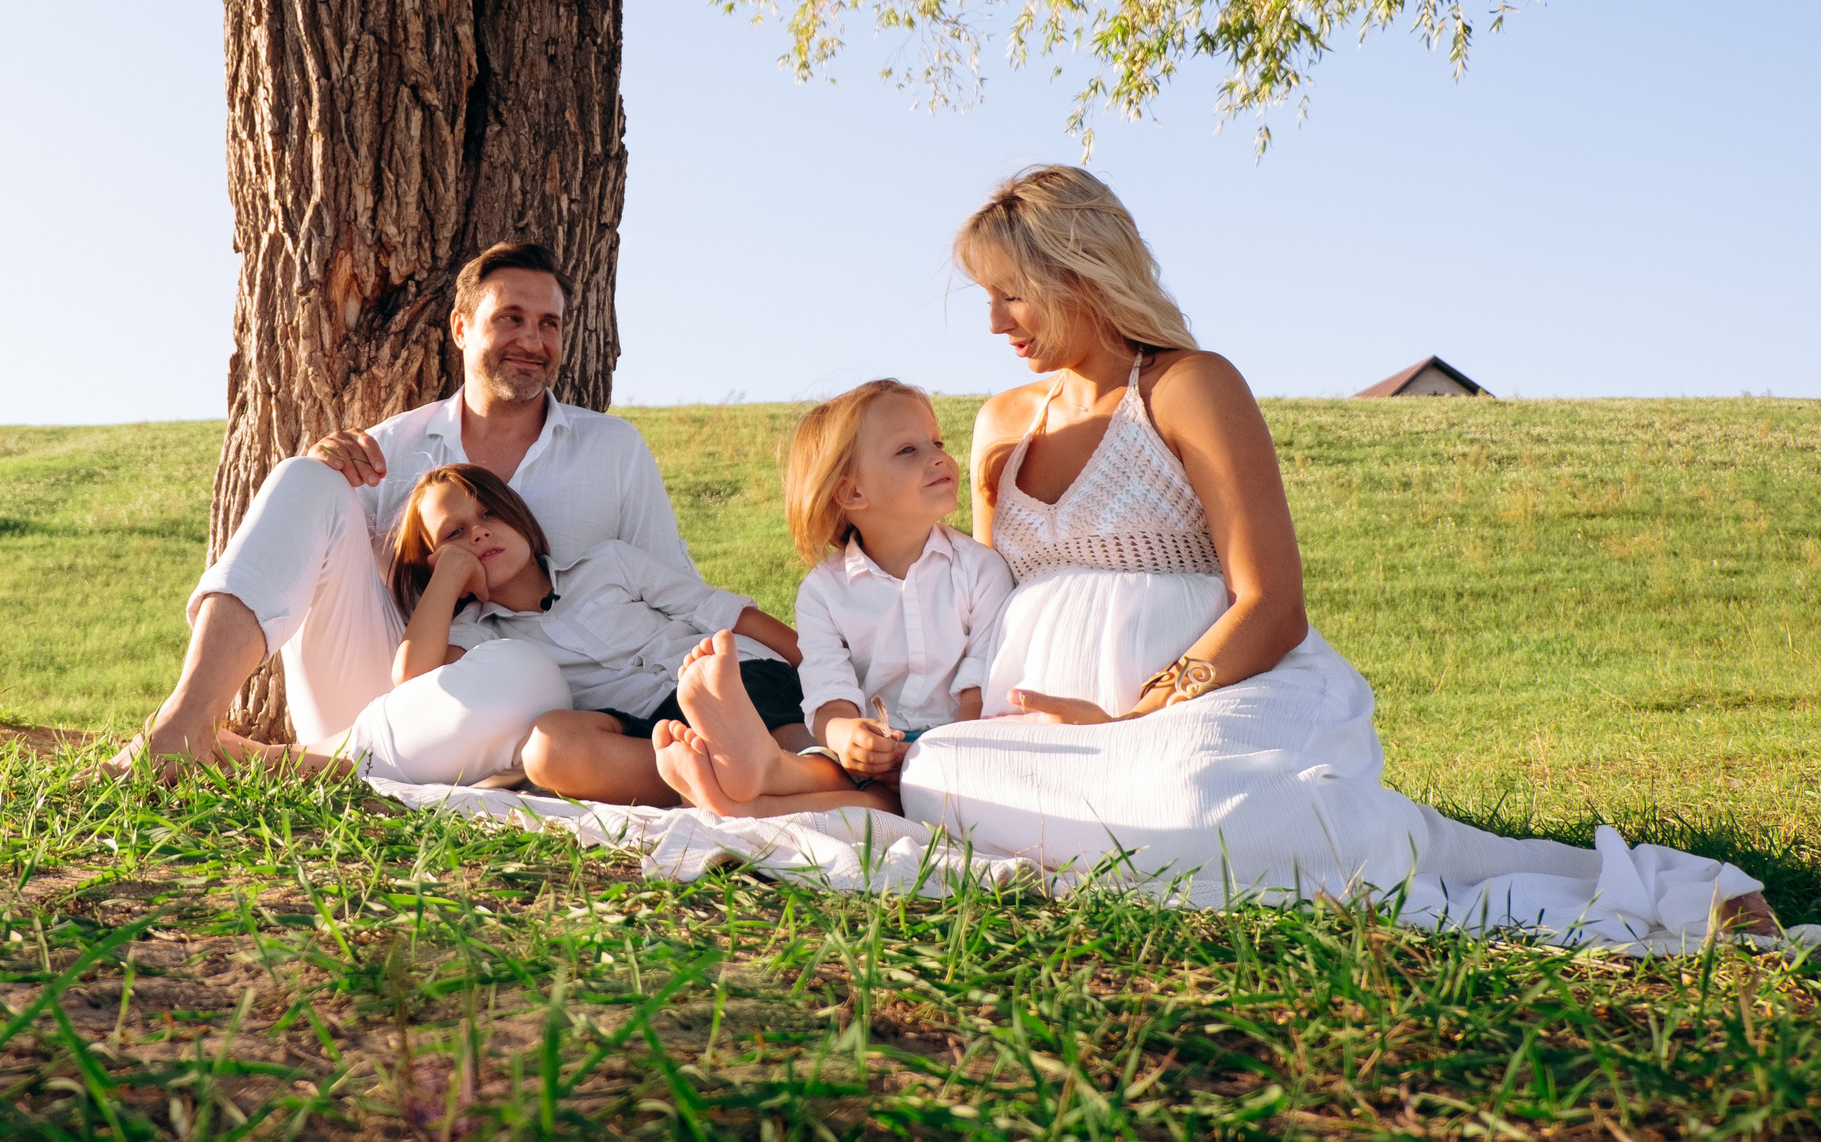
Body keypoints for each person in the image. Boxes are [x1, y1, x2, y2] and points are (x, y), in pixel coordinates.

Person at [652, 165, 1779, 937]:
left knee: (1217, 813)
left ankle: (1657, 888)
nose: (995, 324)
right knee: (947, 777)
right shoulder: (998, 425)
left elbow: (1271, 602)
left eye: (1011, 295)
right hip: (1040, 732)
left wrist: (1135, 713)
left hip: (1215, 698)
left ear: (1080, 268)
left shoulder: (1189, 388)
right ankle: (774, 789)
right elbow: (978, 605)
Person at [120, 242, 693, 773]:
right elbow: (302, 535)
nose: (532, 340)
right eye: (510, 318)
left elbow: (671, 589)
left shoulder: (612, 450)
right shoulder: (393, 448)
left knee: (527, 669)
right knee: (308, 476)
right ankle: (183, 725)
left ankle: (297, 763)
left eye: (549, 323)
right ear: (461, 328)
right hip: (383, 694)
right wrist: (323, 470)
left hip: (539, 717)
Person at [645, 379, 1012, 813]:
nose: (939, 457)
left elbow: (981, 683)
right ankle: (762, 768)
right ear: (852, 492)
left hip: (954, 747)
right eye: (907, 450)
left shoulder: (981, 570)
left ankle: (743, 797)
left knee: (885, 801)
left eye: (937, 442)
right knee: (829, 767)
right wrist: (846, 735)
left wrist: (944, 754)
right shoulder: (823, 591)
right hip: (870, 754)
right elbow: (828, 688)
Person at [342, 464, 804, 794]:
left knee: (784, 736)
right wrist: (449, 575)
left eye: (489, 514)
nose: (478, 533)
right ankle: (736, 778)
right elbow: (414, 678)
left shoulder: (609, 563)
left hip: (733, 682)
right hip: (651, 734)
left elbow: (724, 612)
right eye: (454, 534)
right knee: (548, 750)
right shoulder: (483, 639)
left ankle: (757, 773)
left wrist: (823, 669)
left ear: (520, 520)